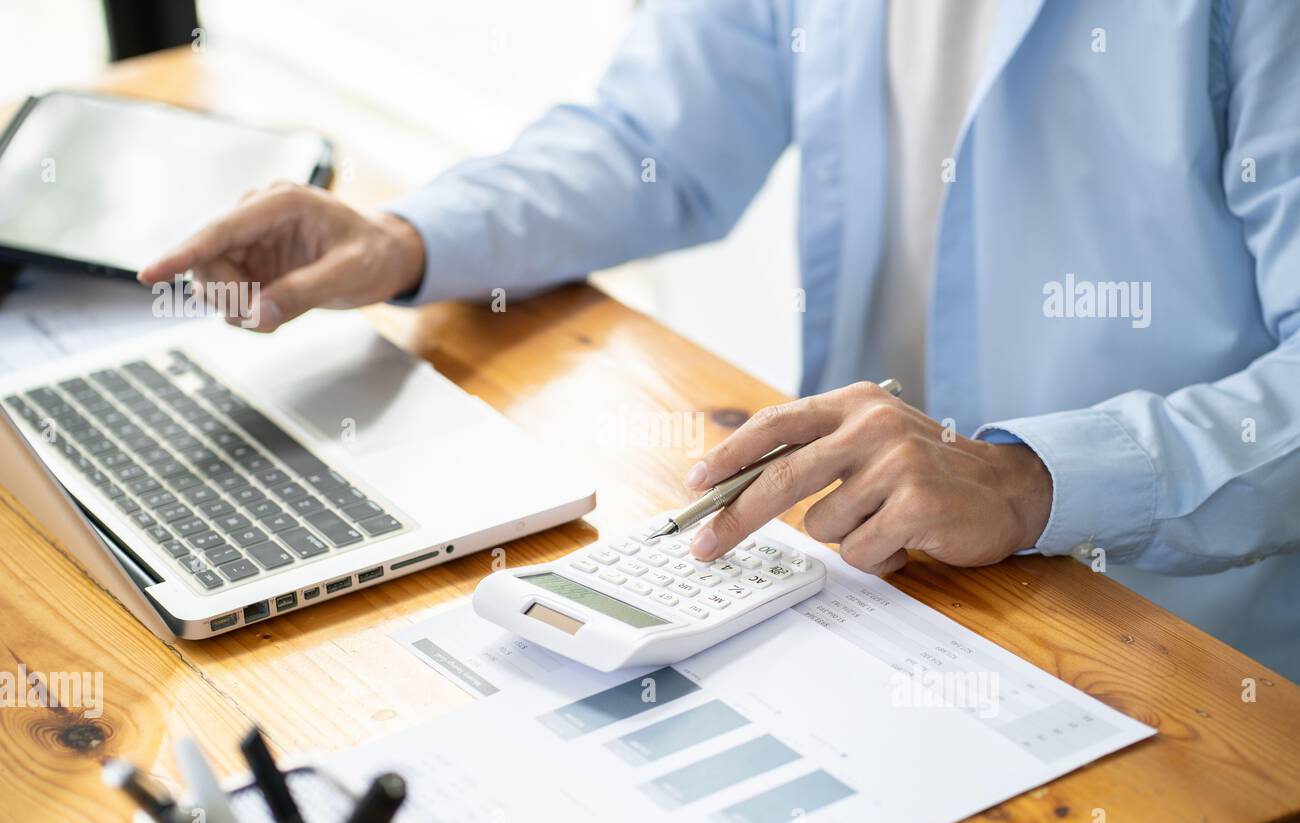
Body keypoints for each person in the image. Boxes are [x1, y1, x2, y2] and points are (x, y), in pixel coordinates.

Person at [138, 0, 1300, 680]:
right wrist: (407, 237)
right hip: (860, 578)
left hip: (1172, 637)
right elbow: (656, 137)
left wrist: (1028, 475)